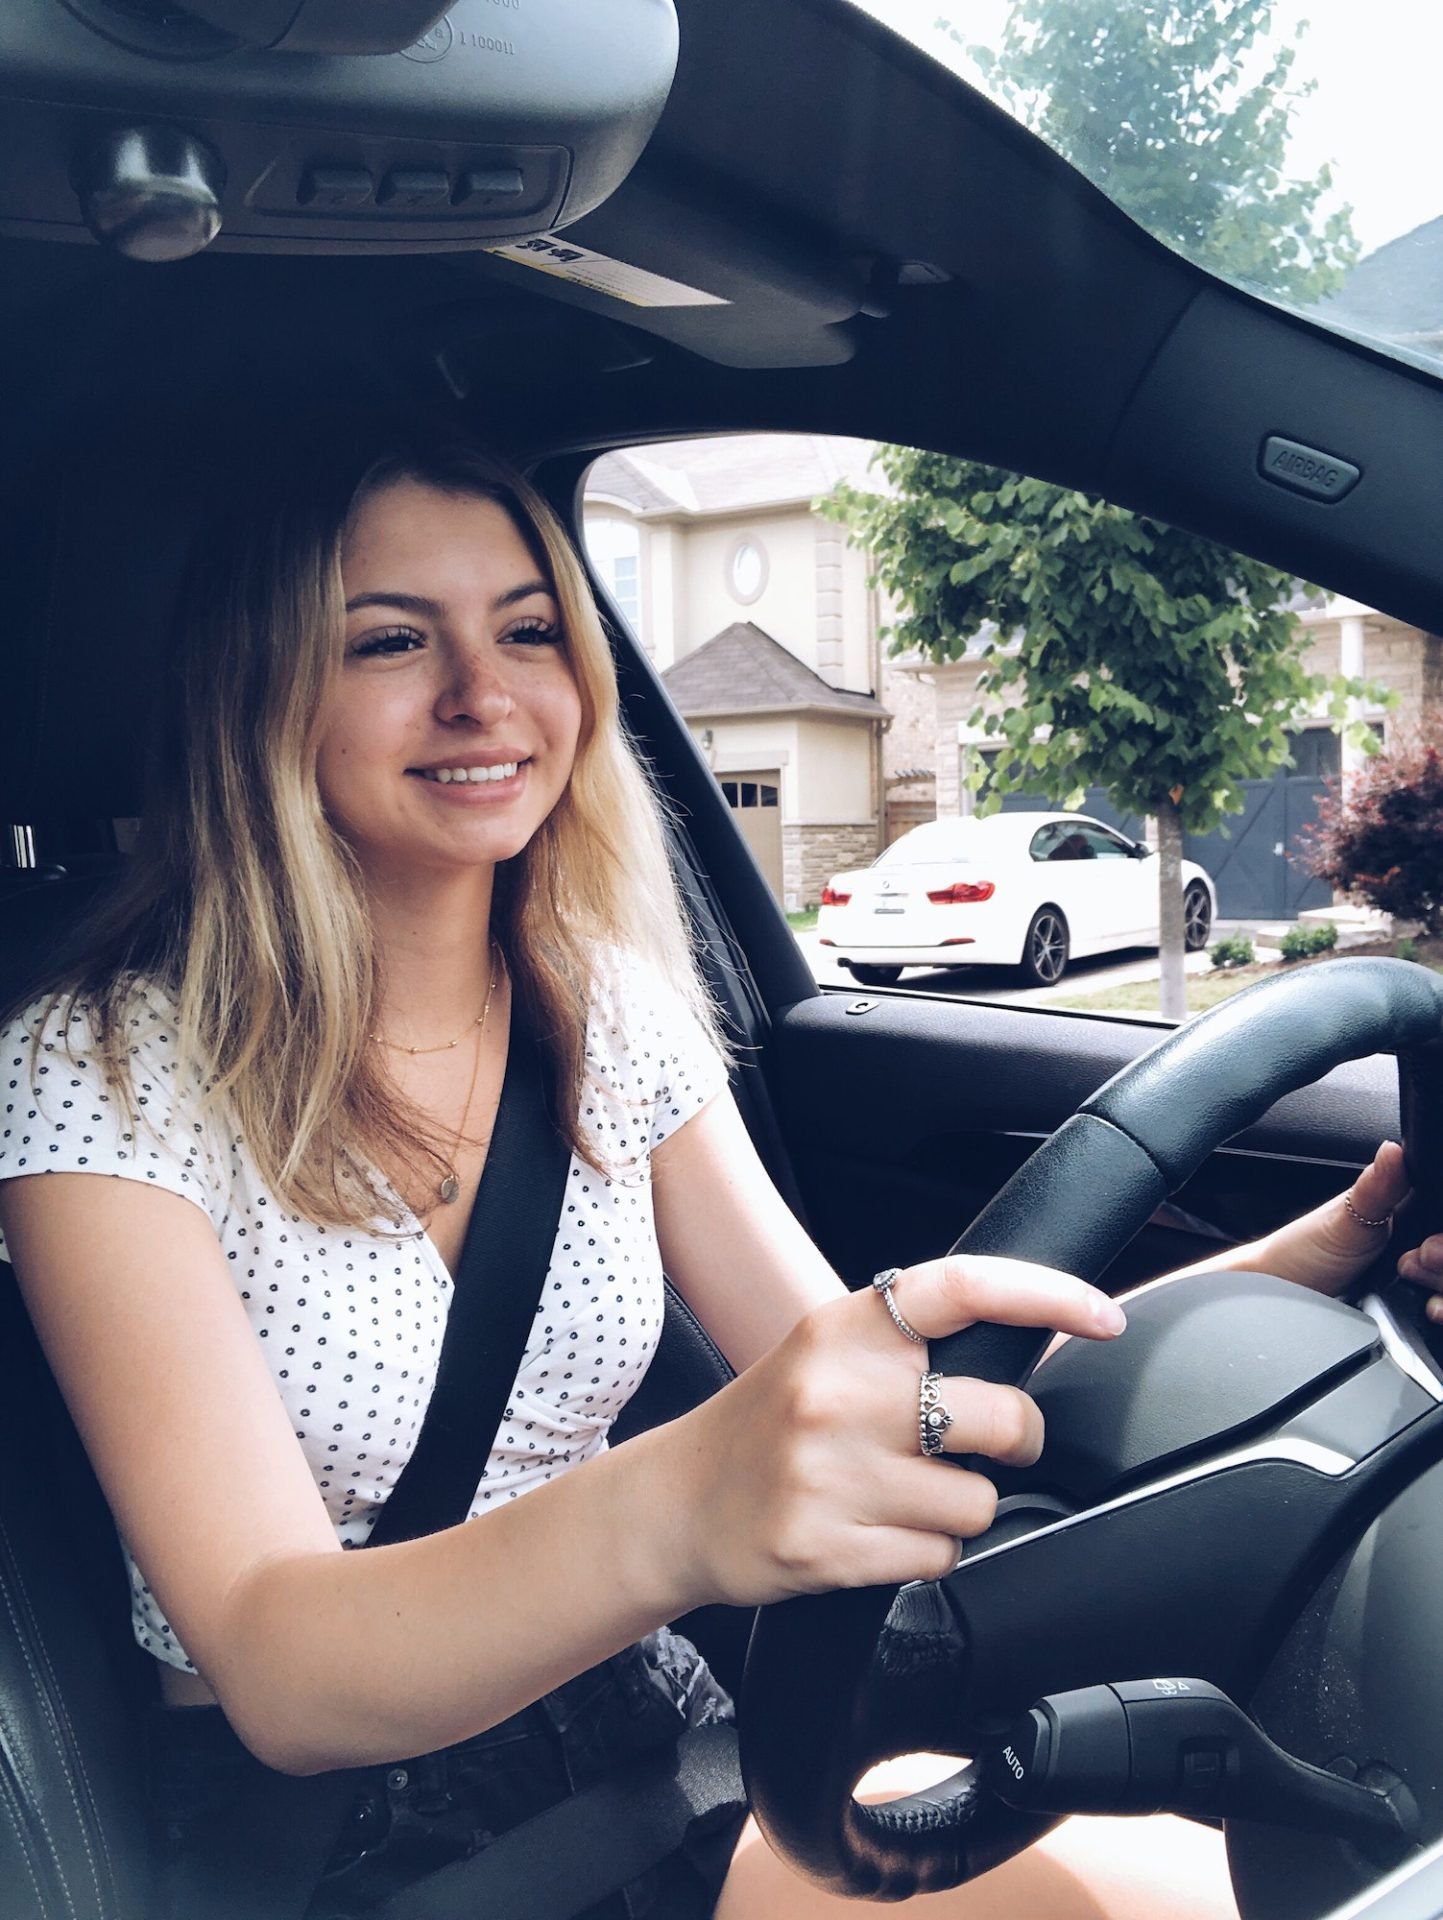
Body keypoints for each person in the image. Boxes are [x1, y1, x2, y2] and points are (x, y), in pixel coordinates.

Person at [0, 429, 1435, 1920]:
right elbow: (278, 1666)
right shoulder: (99, 1068)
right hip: (329, 1832)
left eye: (529, 629)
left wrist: (1306, 1259)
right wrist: (682, 1511)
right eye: (389, 640)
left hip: (645, 1729)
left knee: (1231, 1869)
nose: (483, 696)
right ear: (265, 692)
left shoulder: (601, 1003)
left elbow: (890, 1375)